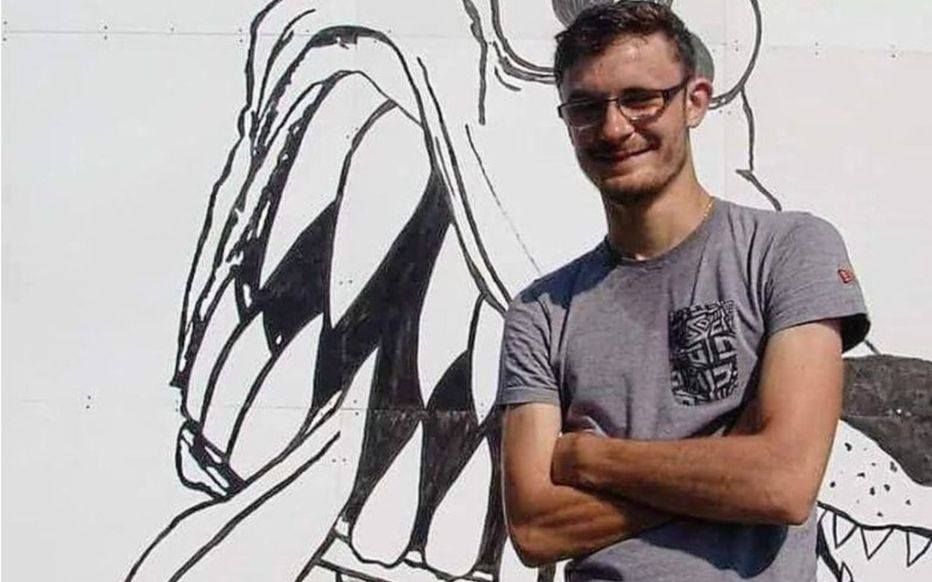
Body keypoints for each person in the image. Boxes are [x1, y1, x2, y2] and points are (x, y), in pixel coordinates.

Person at [496, 3, 870, 581]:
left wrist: (591, 457)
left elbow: (783, 483)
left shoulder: (789, 250)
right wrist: (726, 460)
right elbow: (535, 529)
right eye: (587, 107)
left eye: (641, 99)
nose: (614, 128)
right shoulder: (540, 312)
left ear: (694, 101)